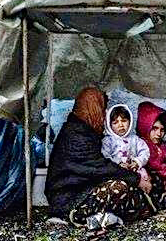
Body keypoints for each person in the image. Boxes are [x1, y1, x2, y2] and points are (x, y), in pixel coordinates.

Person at [45, 87, 156, 230]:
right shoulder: (76, 135)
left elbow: (99, 167)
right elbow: (99, 167)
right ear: (93, 108)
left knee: (146, 178)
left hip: (83, 188)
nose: (103, 114)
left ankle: (136, 205)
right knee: (120, 187)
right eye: (101, 109)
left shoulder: (84, 130)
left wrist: (133, 173)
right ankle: (74, 216)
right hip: (68, 199)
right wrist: (135, 178)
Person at [101, 104, 150, 182]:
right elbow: (105, 156)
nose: (120, 125)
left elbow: (145, 152)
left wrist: (137, 162)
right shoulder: (108, 141)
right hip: (116, 171)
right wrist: (118, 163)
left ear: (130, 122)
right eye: (115, 122)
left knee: (145, 178)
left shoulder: (135, 139)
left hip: (134, 169)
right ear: (109, 125)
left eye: (124, 121)